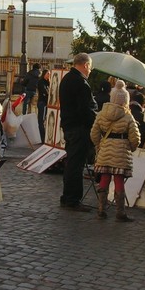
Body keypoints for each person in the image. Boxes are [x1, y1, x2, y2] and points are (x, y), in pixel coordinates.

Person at [90, 80, 140, 222]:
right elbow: (135, 138)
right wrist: (131, 148)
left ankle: (101, 209)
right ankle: (120, 212)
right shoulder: (128, 116)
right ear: (126, 100)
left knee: (104, 178)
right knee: (119, 180)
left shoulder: (101, 114)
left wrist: (99, 145)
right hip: (121, 152)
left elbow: (94, 133)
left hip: (105, 150)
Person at [58, 53, 97, 210]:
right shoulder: (80, 82)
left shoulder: (67, 79)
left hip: (69, 126)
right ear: (86, 65)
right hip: (79, 128)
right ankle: (73, 199)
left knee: (71, 163)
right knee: (76, 164)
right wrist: (94, 123)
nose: (90, 71)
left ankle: (67, 196)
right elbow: (85, 109)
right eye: (90, 68)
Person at [36, 69, 50, 142]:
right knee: (41, 120)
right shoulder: (41, 82)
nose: (49, 75)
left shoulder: (48, 82)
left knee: (44, 120)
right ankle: (42, 138)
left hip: (46, 103)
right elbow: (45, 92)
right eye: (48, 73)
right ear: (44, 74)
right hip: (42, 103)